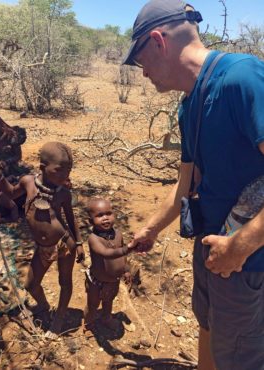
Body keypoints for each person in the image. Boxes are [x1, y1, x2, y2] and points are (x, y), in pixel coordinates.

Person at [122, 1, 264, 369]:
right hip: (212, 251)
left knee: (239, 355)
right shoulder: (189, 105)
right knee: (209, 328)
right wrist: (151, 230)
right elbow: (186, 184)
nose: (143, 74)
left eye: (140, 62)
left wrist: (241, 245)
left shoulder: (242, 78)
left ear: (157, 41)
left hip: (247, 263)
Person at [0, 141, 85, 339]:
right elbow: (11, 193)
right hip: (43, 247)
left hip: (64, 244)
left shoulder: (63, 193)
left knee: (64, 281)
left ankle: (58, 319)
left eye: (69, 170)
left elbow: (71, 217)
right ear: (42, 167)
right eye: (59, 170)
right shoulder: (28, 182)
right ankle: (44, 307)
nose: (65, 175)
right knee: (31, 284)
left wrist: (80, 243)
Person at [83, 198, 131, 334]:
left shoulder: (118, 234)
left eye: (108, 213)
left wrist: (126, 269)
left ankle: (106, 318)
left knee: (109, 300)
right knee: (93, 304)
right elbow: (106, 253)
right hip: (96, 281)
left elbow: (122, 255)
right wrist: (128, 248)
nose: (105, 218)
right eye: (99, 215)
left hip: (113, 280)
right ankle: (88, 322)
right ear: (90, 221)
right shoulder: (94, 239)